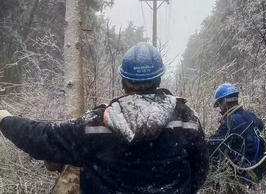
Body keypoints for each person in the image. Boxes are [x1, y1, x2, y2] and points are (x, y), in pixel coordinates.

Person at [0, 42, 209, 194]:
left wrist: (6, 120)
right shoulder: (187, 121)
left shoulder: (96, 125)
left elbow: (42, 137)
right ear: (159, 79)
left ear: (124, 82)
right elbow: (200, 170)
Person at [207, 83, 266, 190]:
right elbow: (260, 126)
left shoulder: (230, 122)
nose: (220, 109)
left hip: (244, 173)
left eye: (220, 104)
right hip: (260, 169)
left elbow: (214, 146)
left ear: (225, 102)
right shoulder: (252, 116)